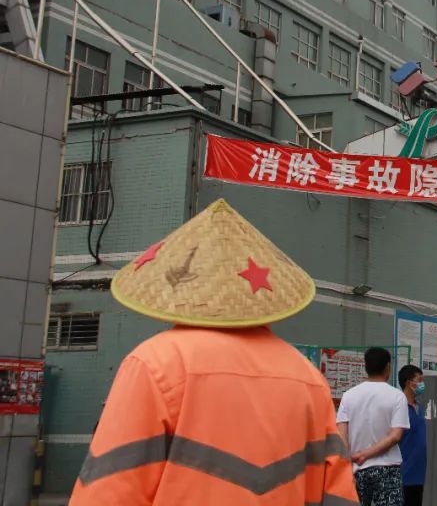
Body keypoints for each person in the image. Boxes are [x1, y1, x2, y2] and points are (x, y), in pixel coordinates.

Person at [69, 199, 358, 505]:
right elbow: (337, 495)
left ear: (178, 292)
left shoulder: (155, 363)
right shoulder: (308, 378)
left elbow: (108, 490)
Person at [337, 347, 410, 505]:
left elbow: (342, 437)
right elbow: (395, 436)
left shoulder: (348, 396)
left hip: (356, 470)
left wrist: (350, 463)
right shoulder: (397, 396)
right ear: (388, 367)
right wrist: (366, 454)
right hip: (388, 470)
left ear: (366, 367)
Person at [397, 365, 427, 506]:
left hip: (419, 475)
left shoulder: (419, 407)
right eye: (419, 380)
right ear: (409, 383)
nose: (422, 384)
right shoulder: (398, 406)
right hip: (403, 475)